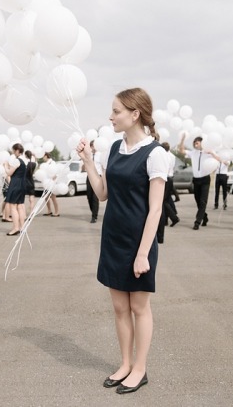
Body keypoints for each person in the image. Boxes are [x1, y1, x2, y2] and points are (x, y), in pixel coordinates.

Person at [77, 87, 168, 395]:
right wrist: (89, 161)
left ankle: (140, 369)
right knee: (119, 307)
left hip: (138, 242)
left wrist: (143, 253)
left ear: (134, 114)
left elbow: (156, 209)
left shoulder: (156, 154)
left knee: (139, 307)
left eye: (116, 111)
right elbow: (102, 193)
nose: (110, 116)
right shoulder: (114, 148)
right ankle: (125, 363)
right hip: (113, 238)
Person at [178, 134, 219, 230]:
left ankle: (197, 222)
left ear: (202, 143)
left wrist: (212, 153)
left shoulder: (208, 152)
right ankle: (204, 217)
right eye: (194, 143)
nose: (195, 145)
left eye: (197, 143)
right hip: (196, 180)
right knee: (198, 202)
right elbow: (181, 151)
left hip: (205, 179)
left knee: (203, 202)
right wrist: (183, 139)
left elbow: (218, 160)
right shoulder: (193, 153)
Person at [3, 143, 27, 236]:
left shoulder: (17, 161)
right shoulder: (25, 160)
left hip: (15, 184)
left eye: (13, 150)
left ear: (17, 150)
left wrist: (5, 165)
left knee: (13, 206)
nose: (13, 152)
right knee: (20, 206)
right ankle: (22, 227)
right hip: (22, 184)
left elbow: (9, 173)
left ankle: (16, 228)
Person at [160, 142, 179, 227]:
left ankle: (174, 217)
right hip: (170, 178)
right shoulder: (172, 156)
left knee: (163, 201)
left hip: (165, 178)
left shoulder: (163, 156)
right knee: (167, 199)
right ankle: (166, 219)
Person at [86, 140, 101, 223]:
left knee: (95, 197)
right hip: (89, 176)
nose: (93, 148)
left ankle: (94, 216)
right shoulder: (89, 156)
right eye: (91, 146)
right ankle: (93, 211)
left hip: (98, 176)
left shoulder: (100, 155)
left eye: (94, 146)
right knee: (89, 196)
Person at [42, 152, 60, 217]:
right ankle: (49, 211)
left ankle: (57, 212)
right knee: (46, 197)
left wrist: (55, 177)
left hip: (51, 182)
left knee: (53, 197)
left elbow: (56, 171)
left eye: (43, 156)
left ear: (46, 156)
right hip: (46, 182)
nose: (43, 158)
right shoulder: (45, 164)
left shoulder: (52, 163)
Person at [24, 150, 37, 215]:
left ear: (26, 155)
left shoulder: (25, 163)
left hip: (24, 182)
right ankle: (32, 212)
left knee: (21, 199)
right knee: (31, 198)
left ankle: (23, 213)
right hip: (31, 182)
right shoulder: (34, 164)